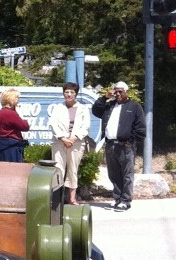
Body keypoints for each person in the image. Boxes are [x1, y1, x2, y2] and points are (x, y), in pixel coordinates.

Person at [92, 81, 146, 211]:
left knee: (127, 174)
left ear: (126, 92)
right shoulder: (109, 106)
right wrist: (105, 97)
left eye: (121, 91)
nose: (118, 94)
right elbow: (96, 110)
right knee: (114, 174)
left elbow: (140, 128)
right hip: (110, 145)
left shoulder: (134, 107)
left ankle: (125, 200)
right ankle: (118, 198)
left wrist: (131, 140)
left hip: (125, 145)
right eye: (116, 91)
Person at [48, 82, 91, 205]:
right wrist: (63, 138)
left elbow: (85, 126)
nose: (69, 94)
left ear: (76, 94)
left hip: (76, 143)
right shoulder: (57, 108)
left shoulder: (83, 109)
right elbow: (53, 124)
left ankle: (71, 198)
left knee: (73, 170)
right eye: (66, 92)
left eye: (72, 92)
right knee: (58, 169)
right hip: (59, 142)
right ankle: (57, 197)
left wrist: (73, 138)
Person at [0, 88, 30, 162]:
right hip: (11, 147)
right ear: (12, 100)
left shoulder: (0, 112)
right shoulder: (11, 114)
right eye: (17, 98)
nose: (18, 100)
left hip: (1, 145)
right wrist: (21, 116)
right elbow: (25, 127)